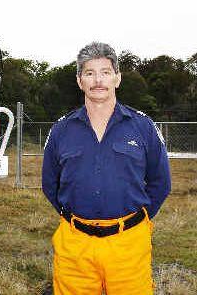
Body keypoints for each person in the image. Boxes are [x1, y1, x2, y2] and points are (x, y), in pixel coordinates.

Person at [42, 42, 171, 295]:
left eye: (105, 72)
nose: (98, 80)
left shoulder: (143, 127)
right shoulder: (61, 130)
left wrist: (132, 222)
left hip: (128, 243)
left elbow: (160, 183)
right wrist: (80, 218)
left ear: (117, 78)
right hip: (75, 244)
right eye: (89, 73)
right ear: (80, 81)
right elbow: (50, 184)